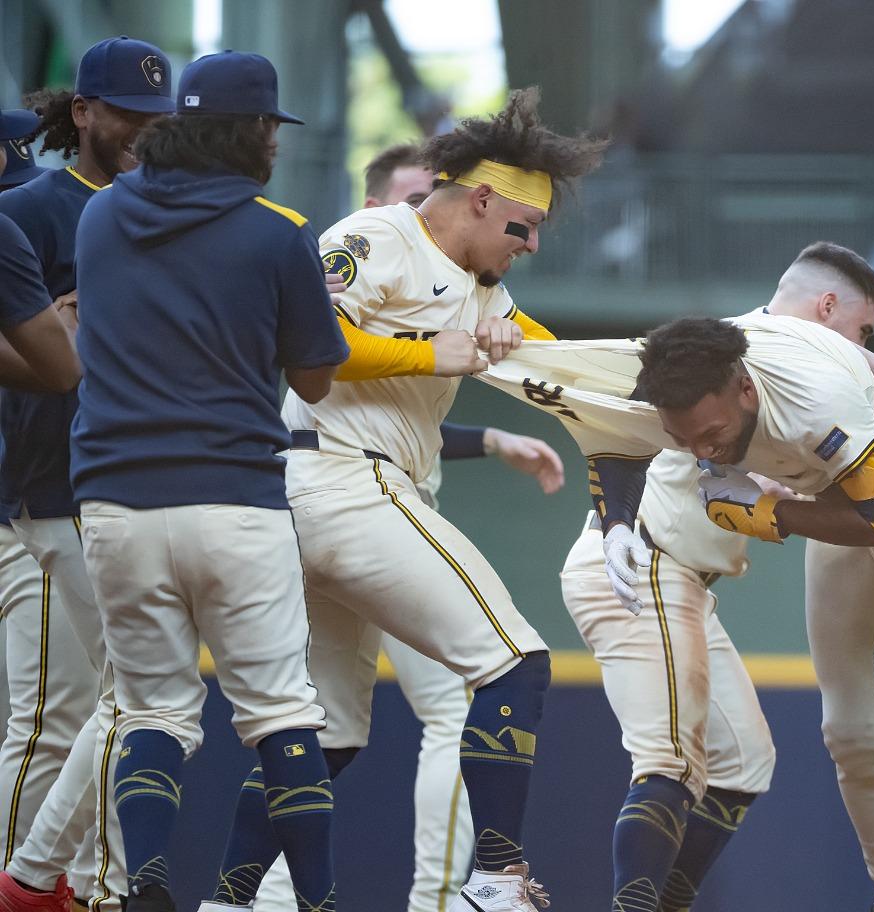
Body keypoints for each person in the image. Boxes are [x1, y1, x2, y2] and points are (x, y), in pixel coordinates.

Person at [201, 88, 605, 912]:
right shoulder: (375, 233)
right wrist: (436, 353)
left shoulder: (482, 286)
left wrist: (658, 379)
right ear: (481, 199)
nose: (527, 247)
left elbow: (560, 364)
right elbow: (308, 340)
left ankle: (230, 899)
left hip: (329, 501)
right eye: (522, 228)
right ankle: (492, 880)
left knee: (330, 735)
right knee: (515, 661)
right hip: (341, 481)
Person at [65, 50, 348, 912]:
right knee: (280, 717)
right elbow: (315, 380)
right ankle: (317, 900)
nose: (275, 142)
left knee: (153, 713)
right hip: (233, 500)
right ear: (255, 131)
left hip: (113, 503)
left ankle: (147, 882)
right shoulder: (275, 229)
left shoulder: (100, 217)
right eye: (271, 127)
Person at [604, 310, 874, 912]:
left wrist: (772, 515)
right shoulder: (679, 375)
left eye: (711, 433)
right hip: (836, 498)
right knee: (848, 729)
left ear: (746, 387)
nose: (702, 451)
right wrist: (614, 522)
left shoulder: (813, 397)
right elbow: (610, 436)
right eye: (683, 439)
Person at [559, 245, 874, 912]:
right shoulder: (706, 362)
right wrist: (615, 522)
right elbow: (617, 430)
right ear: (826, 308)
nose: (861, 346)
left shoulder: (786, 380)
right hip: (641, 562)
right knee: (669, 762)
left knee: (741, 766)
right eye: (862, 329)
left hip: (684, 580)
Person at [0, 35, 174, 912]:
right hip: (49, 486)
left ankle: (95, 888)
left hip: (141, 486)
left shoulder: (167, 213)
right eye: (127, 112)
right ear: (82, 113)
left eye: (156, 115)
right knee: (62, 716)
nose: (143, 129)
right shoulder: (32, 208)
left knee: (125, 710)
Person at [0, 116, 86, 887]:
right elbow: (57, 373)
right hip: (36, 501)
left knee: (80, 714)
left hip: (43, 498)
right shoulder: (20, 218)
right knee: (53, 718)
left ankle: (78, 888)